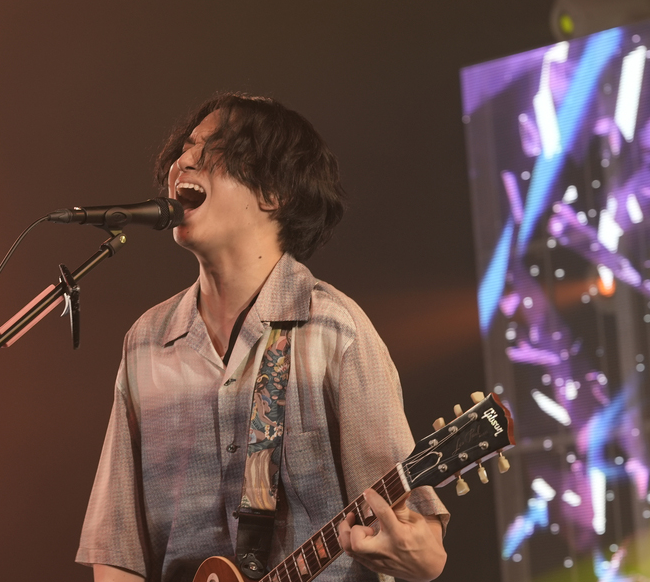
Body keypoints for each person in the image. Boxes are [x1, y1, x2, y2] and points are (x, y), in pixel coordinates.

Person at [76, 93, 449, 582]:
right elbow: (117, 547)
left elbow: (418, 537)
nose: (183, 161)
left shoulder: (333, 331)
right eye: (185, 148)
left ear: (274, 193)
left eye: (213, 149)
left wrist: (423, 557)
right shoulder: (147, 342)